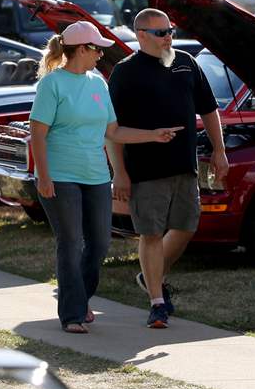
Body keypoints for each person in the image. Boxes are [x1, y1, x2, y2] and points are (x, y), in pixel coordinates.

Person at [30, 20, 181, 334]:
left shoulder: (97, 82)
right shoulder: (52, 84)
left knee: (99, 244)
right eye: (97, 48)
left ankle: (80, 298)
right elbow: (38, 134)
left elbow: (113, 131)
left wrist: (153, 135)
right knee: (71, 243)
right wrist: (44, 177)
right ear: (81, 49)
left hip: (96, 176)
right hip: (60, 175)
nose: (101, 54)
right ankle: (72, 314)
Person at [108, 8, 228, 329]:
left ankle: (150, 277)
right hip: (145, 169)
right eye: (161, 32)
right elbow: (112, 129)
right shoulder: (125, 73)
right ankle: (157, 302)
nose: (168, 37)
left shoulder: (186, 62)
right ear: (141, 35)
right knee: (150, 233)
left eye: (170, 30)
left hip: (184, 165)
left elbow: (209, 109)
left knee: (188, 226)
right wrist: (119, 172)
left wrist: (219, 150)